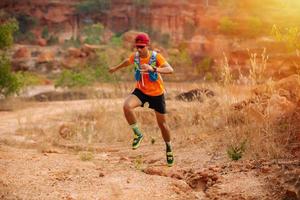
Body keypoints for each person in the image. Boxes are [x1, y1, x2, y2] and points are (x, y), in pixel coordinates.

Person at [108, 33, 174, 167]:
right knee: (127, 106)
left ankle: (168, 147)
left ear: (147, 45)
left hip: (157, 94)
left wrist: (153, 68)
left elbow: (170, 69)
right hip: (141, 91)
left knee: (163, 125)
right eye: (137, 47)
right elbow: (127, 61)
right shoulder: (136, 57)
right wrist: (115, 68)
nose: (138, 49)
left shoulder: (156, 57)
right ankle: (138, 134)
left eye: (141, 47)